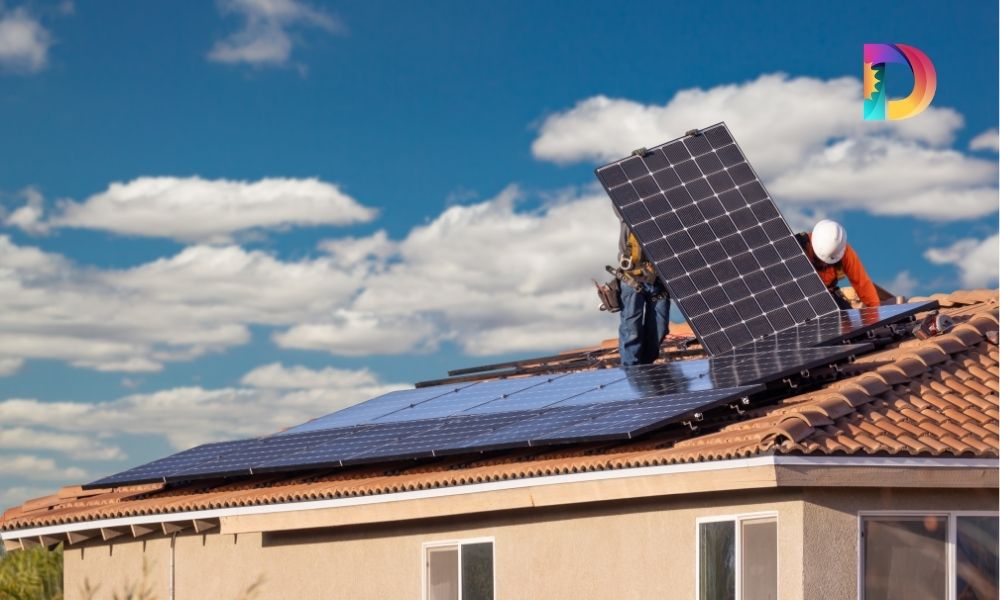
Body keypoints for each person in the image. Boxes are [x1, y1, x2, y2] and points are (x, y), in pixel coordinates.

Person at [617, 222, 670, 366]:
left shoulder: (666, 213)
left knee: (660, 328)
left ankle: (645, 368)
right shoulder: (627, 211)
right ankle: (631, 370)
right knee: (632, 330)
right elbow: (620, 202)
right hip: (633, 279)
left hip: (659, 281)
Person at [798, 219, 879, 309]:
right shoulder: (796, 248)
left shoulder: (844, 252)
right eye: (820, 259)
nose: (824, 264)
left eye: (828, 261)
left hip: (829, 297)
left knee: (846, 317)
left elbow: (862, 283)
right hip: (799, 297)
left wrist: (876, 312)